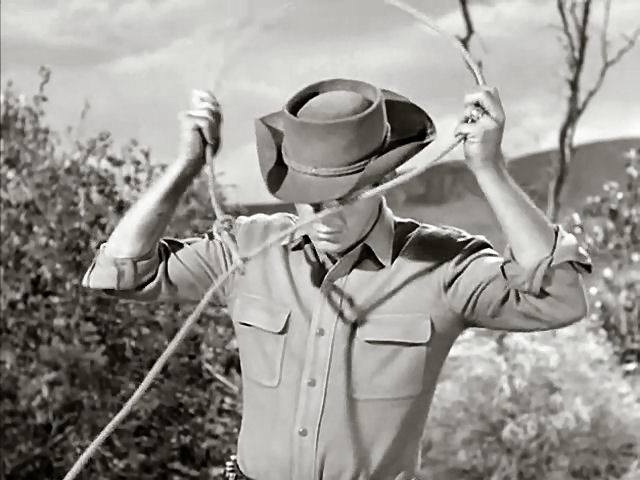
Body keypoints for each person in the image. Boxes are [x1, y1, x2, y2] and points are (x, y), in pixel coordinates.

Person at [82, 79, 591, 480]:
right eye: (310, 198)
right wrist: (185, 166)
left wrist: (489, 168)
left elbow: (559, 298)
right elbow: (121, 273)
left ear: (386, 179)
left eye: (346, 197)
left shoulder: (444, 267)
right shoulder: (248, 248)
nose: (325, 216)